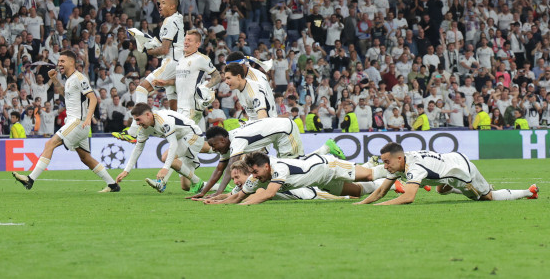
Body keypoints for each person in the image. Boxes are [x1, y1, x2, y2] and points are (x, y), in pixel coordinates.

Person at [13, 50, 120, 193]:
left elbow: (93, 98)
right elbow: (66, 94)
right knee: (85, 158)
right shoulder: (69, 79)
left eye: (62, 61)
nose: (59, 64)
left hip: (77, 122)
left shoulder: (79, 77)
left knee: (50, 144)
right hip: (77, 123)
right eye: (58, 61)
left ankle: (30, 179)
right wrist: (54, 79)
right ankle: (113, 185)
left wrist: (89, 117)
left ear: (72, 62)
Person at [190, 118, 344, 199]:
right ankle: (325, 150)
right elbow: (219, 169)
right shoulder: (227, 143)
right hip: (278, 133)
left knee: (296, 165)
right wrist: (204, 192)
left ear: (222, 140)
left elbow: (229, 169)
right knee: (292, 166)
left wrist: (218, 193)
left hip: (286, 130)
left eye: (213, 145)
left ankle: (326, 149)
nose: (213, 149)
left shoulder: (237, 140)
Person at [357, 142, 538, 205]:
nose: (385, 166)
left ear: (399, 158)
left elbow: (408, 198)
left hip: (461, 171)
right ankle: (457, 186)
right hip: (451, 160)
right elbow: (380, 191)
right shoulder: (400, 163)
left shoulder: (414, 167)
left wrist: (381, 206)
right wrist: (361, 204)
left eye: (387, 162)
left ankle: (529, 192)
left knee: (488, 197)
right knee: (441, 190)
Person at [116, 103, 206, 193]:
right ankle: (209, 186)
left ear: (148, 115)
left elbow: (173, 144)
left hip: (194, 135)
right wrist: (126, 170)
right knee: (186, 186)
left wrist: (165, 168)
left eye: (138, 119)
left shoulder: (163, 120)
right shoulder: (143, 127)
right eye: (136, 120)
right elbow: (138, 148)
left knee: (166, 157)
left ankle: (195, 181)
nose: (137, 123)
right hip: (181, 140)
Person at [235, 151, 380, 205]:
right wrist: (222, 204)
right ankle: (387, 183)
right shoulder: (258, 178)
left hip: (328, 166)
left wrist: (243, 205)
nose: (254, 176)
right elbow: (236, 196)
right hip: (322, 182)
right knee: (357, 192)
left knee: (369, 175)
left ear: (266, 166)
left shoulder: (279, 168)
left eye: (255, 172)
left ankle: (390, 172)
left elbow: (269, 193)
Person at [200, 160, 350, 204]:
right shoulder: (248, 186)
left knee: (347, 196)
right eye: (233, 179)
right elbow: (231, 195)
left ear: (249, 174)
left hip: (309, 194)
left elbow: (250, 197)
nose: (235, 181)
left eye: (237, 177)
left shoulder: (257, 184)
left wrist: (227, 203)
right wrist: (213, 199)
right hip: (306, 190)